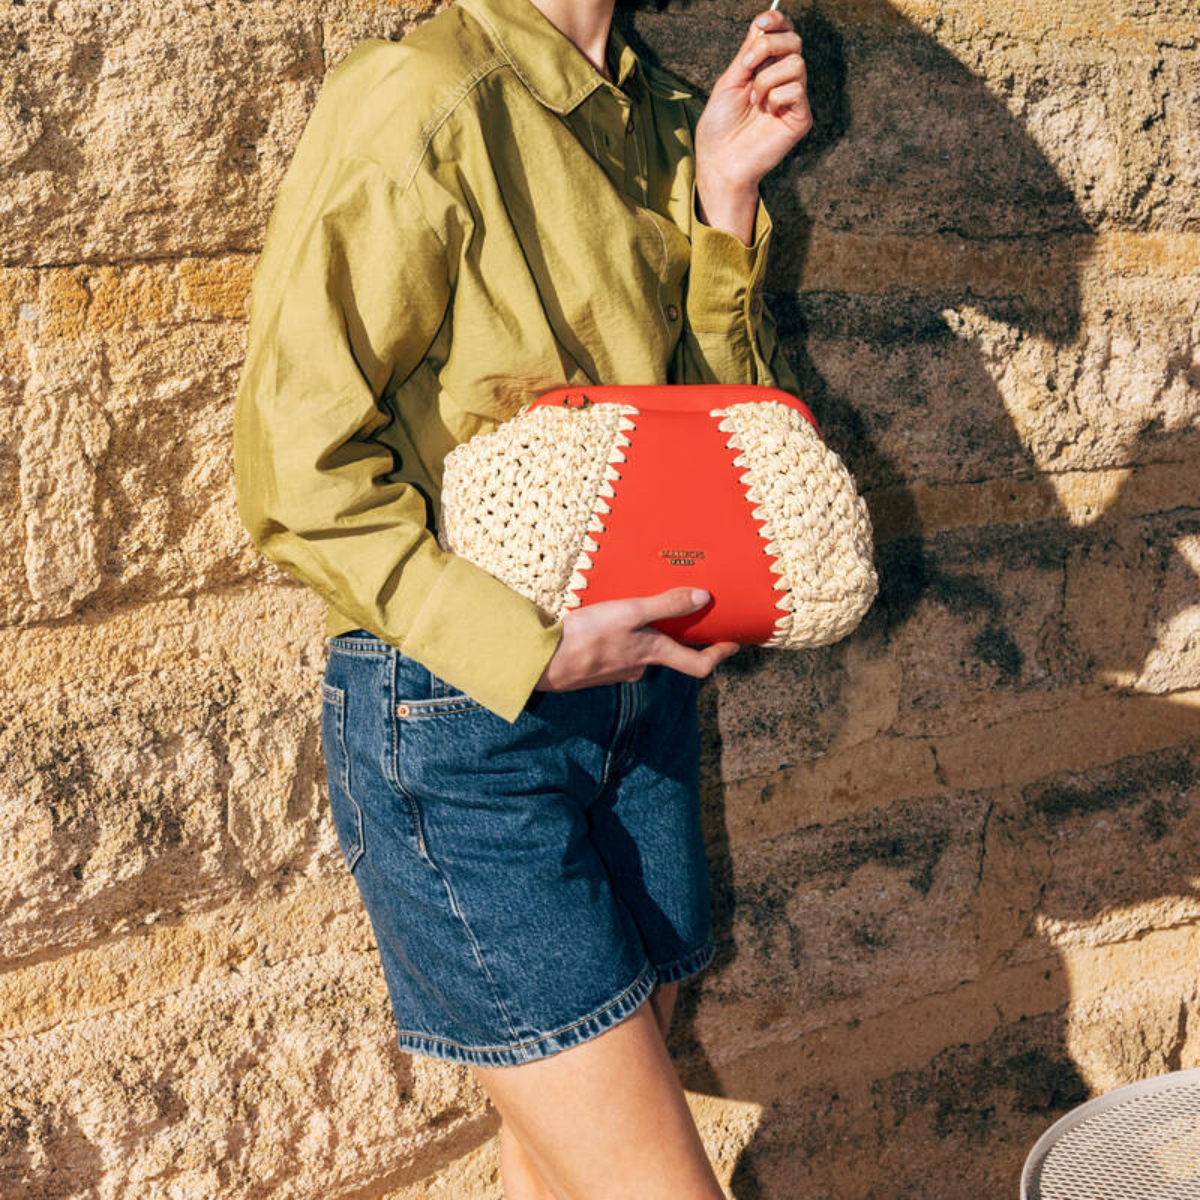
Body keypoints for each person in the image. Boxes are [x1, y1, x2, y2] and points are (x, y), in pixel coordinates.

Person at [232, 0, 811, 1193]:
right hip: (465, 727)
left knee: (553, 1168)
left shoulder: (662, 114)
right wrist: (530, 650)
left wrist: (724, 203)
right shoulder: (419, 98)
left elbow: (728, 442)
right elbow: (295, 467)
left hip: (638, 712)